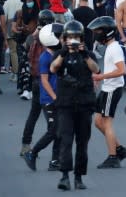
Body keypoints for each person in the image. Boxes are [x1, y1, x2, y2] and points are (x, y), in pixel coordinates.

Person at [51, 21, 100, 191]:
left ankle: (79, 177)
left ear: (81, 38)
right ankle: (64, 176)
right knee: (65, 140)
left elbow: (96, 69)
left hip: (85, 104)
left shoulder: (88, 54)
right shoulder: (60, 54)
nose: (73, 40)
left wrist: (85, 54)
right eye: (70, 37)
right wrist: (64, 52)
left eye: (76, 37)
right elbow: (53, 68)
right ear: (64, 38)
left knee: (82, 142)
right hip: (65, 104)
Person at [87, 16, 126, 169]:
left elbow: (122, 70)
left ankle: (113, 157)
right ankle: (119, 149)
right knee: (98, 122)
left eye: (98, 31)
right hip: (107, 88)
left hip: (112, 89)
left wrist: (101, 76)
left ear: (107, 32)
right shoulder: (111, 47)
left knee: (107, 122)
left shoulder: (114, 48)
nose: (96, 34)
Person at [23, 23, 64, 172]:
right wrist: (54, 97)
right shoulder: (45, 58)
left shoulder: (58, 55)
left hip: (58, 97)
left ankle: (55, 161)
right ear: (52, 39)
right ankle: (31, 153)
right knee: (54, 130)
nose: (63, 39)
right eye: (61, 36)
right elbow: (44, 81)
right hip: (49, 99)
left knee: (59, 130)